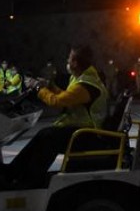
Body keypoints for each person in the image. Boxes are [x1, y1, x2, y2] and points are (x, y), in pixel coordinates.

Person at [10, 45, 108, 186]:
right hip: (83, 130)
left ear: (75, 62)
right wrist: (49, 86)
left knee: (49, 139)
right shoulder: (83, 78)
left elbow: (57, 102)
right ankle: (15, 172)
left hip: (87, 133)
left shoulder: (86, 84)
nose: (67, 60)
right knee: (44, 134)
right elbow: (67, 97)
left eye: (69, 57)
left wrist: (38, 88)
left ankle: (30, 181)